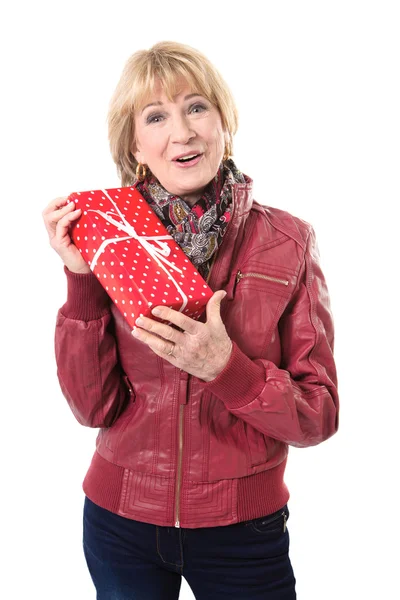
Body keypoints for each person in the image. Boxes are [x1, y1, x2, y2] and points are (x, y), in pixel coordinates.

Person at [42, 41, 339, 600]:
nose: (183, 131)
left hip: (242, 532)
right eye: (156, 116)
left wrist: (227, 368)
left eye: (196, 107)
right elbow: (91, 409)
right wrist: (82, 278)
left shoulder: (287, 242)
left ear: (223, 121)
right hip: (119, 521)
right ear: (135, 143)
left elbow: (317, 415)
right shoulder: (112, 237)